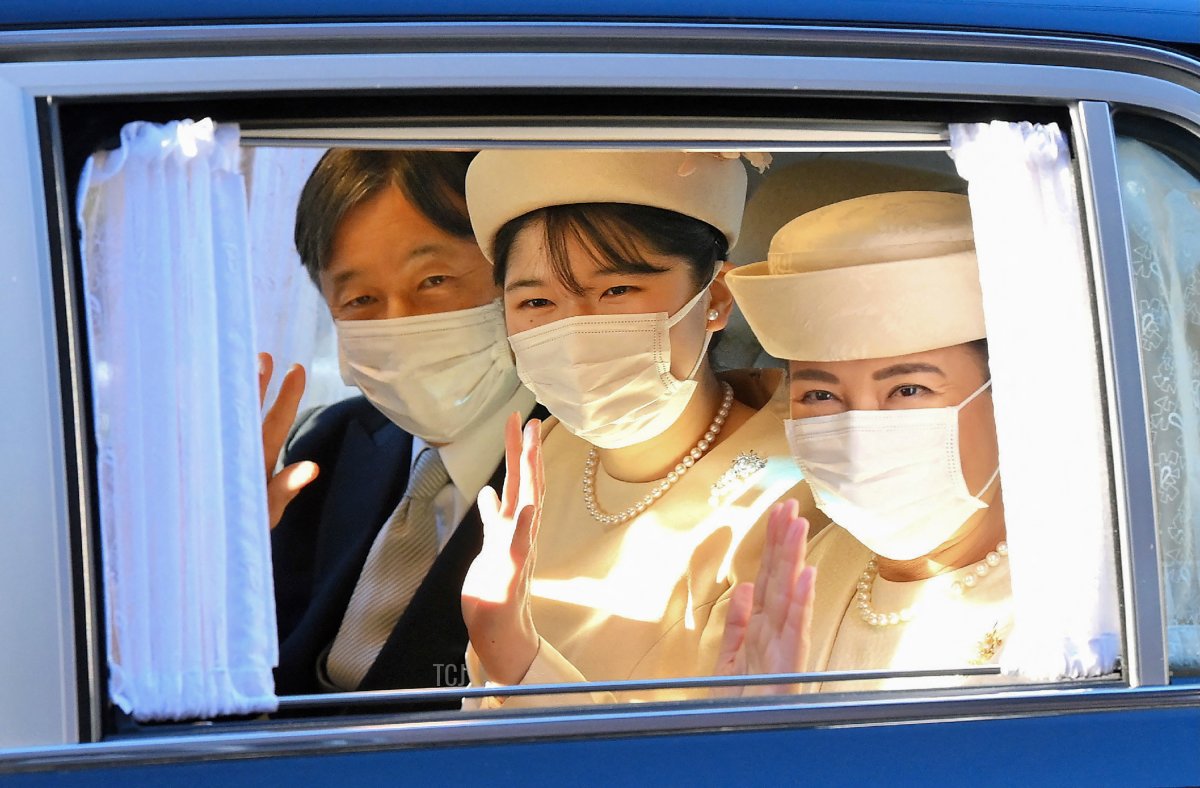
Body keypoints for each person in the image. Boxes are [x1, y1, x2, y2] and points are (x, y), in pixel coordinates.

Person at [457, 149, 825, 707]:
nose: (574, 330)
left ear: (716, 298)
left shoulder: (796, 491)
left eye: (616, 291)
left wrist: (519, 659)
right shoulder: (548, 452)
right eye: (536, 301)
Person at [263, 149, 541, 698]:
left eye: (433, 279)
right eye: (360, 298)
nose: (399, 323)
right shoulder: (324, 449)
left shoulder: (602, 463)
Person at [721, 190, 1011, 693]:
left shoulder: (1078, 611)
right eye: (820, 394)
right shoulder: (803, 575)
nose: (858, 430)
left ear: (1006, 395)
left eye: (908, 389)